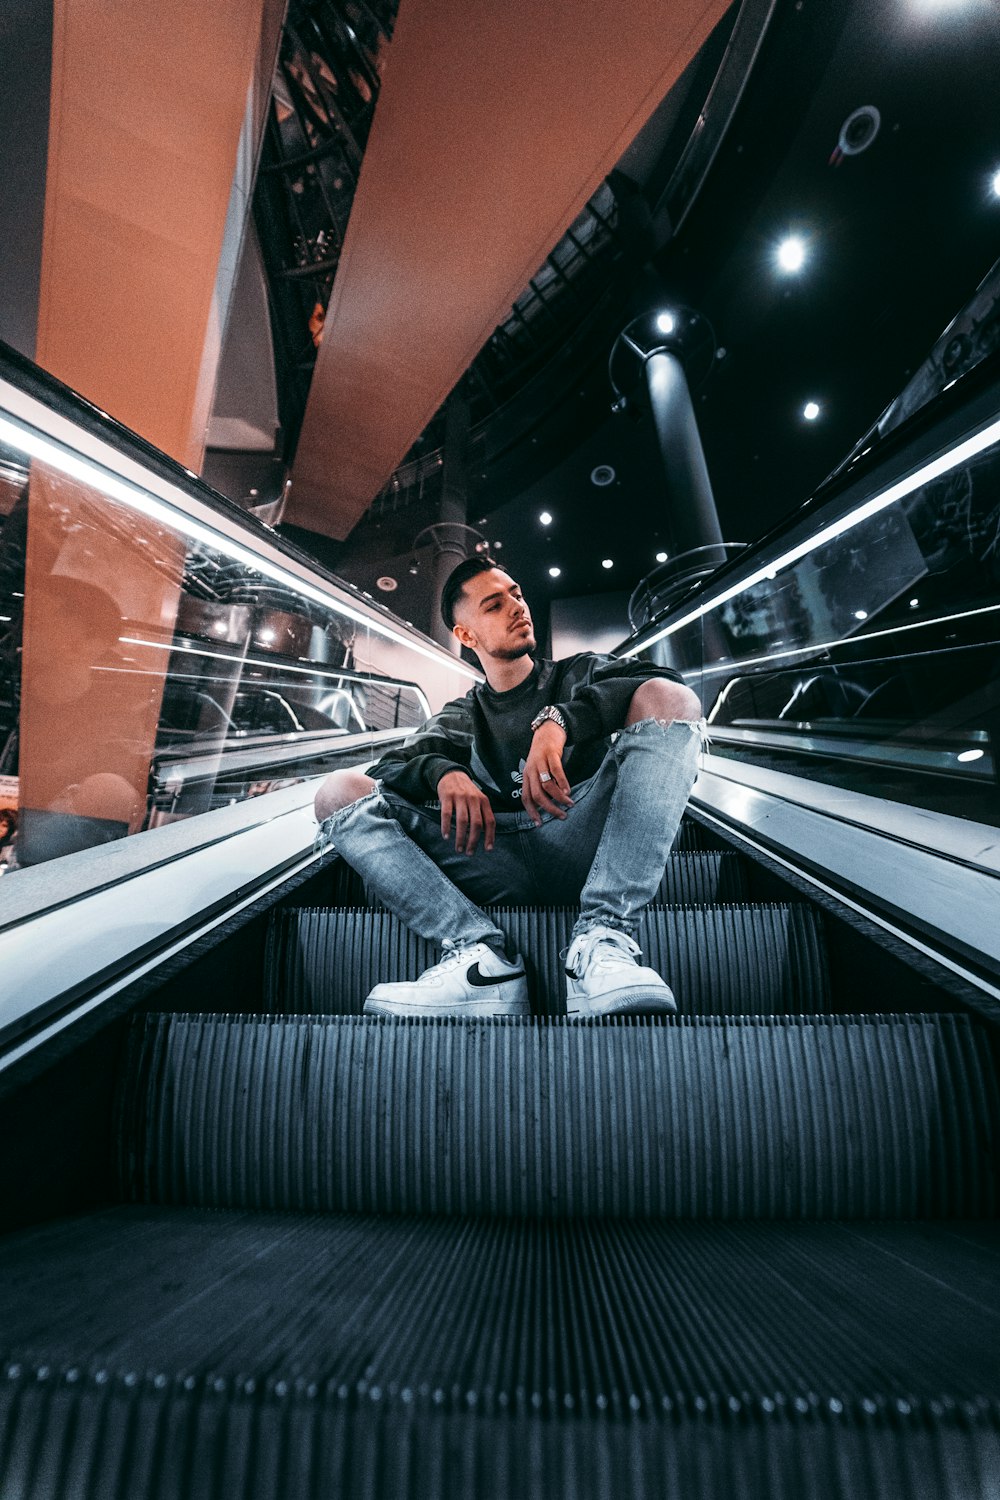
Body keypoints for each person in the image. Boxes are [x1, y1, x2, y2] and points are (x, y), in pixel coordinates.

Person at [314, 557, 704, 1018]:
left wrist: (559, 722)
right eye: (495, 605)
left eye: (517, 594)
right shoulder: (460, 717)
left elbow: (665, 687)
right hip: (490, 856)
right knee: (337, 792)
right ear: (466, 635)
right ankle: (481, 959)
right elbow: (390, 769)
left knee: (671, 699)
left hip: (582, 839)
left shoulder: (577, 675)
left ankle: (602, 940)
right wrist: (442, 773)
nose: (518, 607)